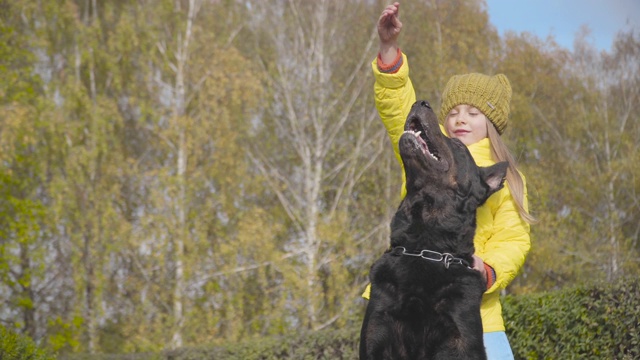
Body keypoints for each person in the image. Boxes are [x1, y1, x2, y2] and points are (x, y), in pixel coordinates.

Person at [363, 2, 534, 359]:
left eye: (473, 113)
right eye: (454, 111)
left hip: (476, 315)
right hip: (401, 298)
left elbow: (514, 239)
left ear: (492, 124)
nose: (460, 119)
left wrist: (488, 270)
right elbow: (400, 109)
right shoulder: (428, 154)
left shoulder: (505, 178)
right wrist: (389, 51)